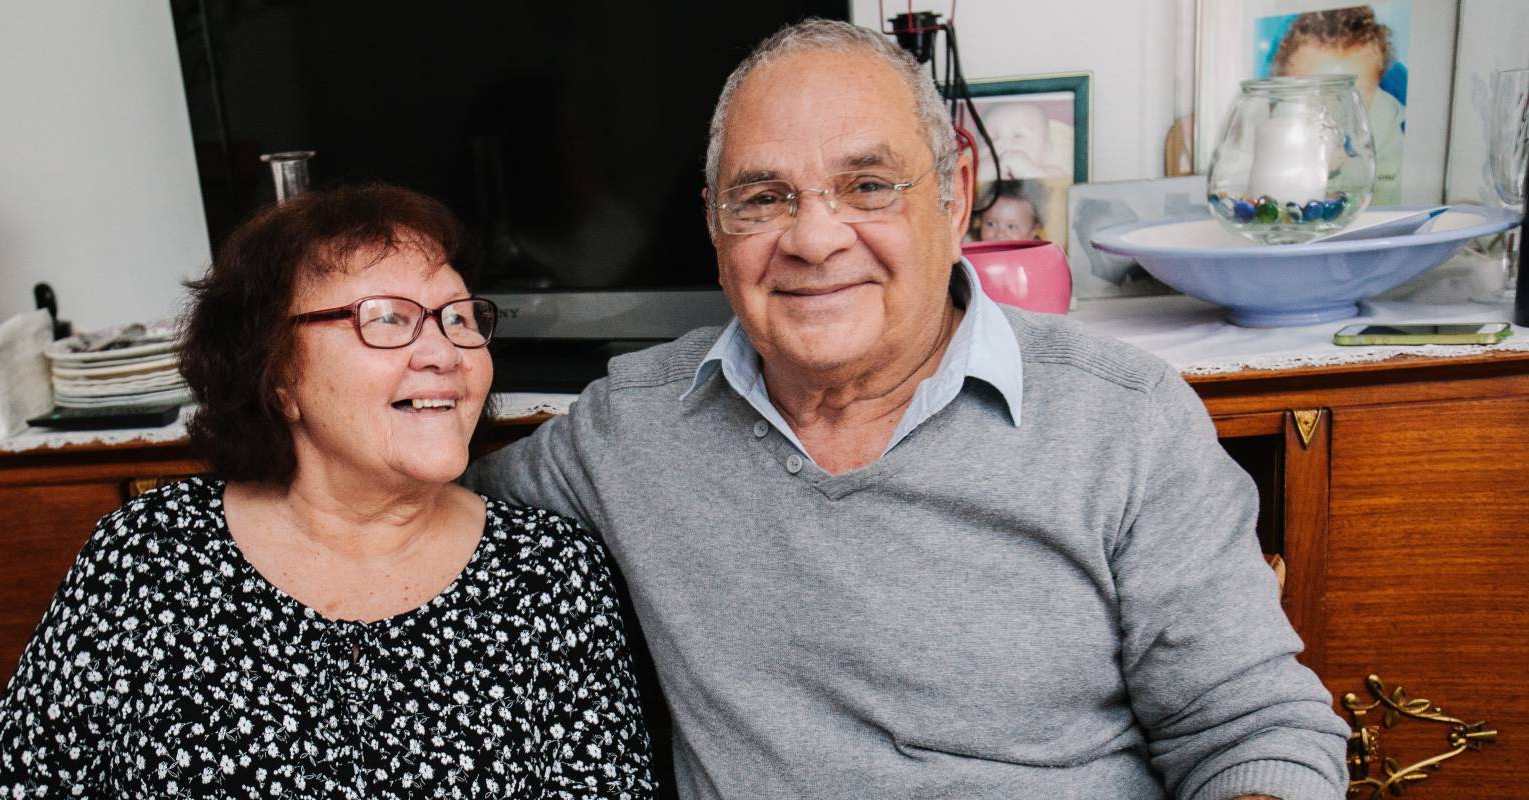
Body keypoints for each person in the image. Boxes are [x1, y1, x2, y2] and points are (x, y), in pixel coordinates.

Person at [468, 19, 1350, 800]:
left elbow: (1253, 734)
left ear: (956, 193)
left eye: (867, 186)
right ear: (714, 224)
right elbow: (419, 513)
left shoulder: (1123, 420)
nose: (814, 238)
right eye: (763, 198)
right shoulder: (632, 430)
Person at [0, 184, 654, 798]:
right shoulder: (148, 557)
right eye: (386, 320)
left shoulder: (550, 575)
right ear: (276, 374)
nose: (442, 352)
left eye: (459, 318)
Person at [1270, 6, 1405, 204]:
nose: (1333, 109)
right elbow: (1271, 184)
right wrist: (1314, 165)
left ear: (1377, 84)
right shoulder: (1284, 115)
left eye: (1356, 93)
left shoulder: (1387, 117)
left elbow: (1388, 192)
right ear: (1286, 83)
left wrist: (1344, 168)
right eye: (1314, 94)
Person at [974, 179, 1044, 241]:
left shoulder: (1040, 255)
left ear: (1033, 231)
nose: (999, 235)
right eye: (990, 224)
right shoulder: (971, 253)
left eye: (1011, 227)